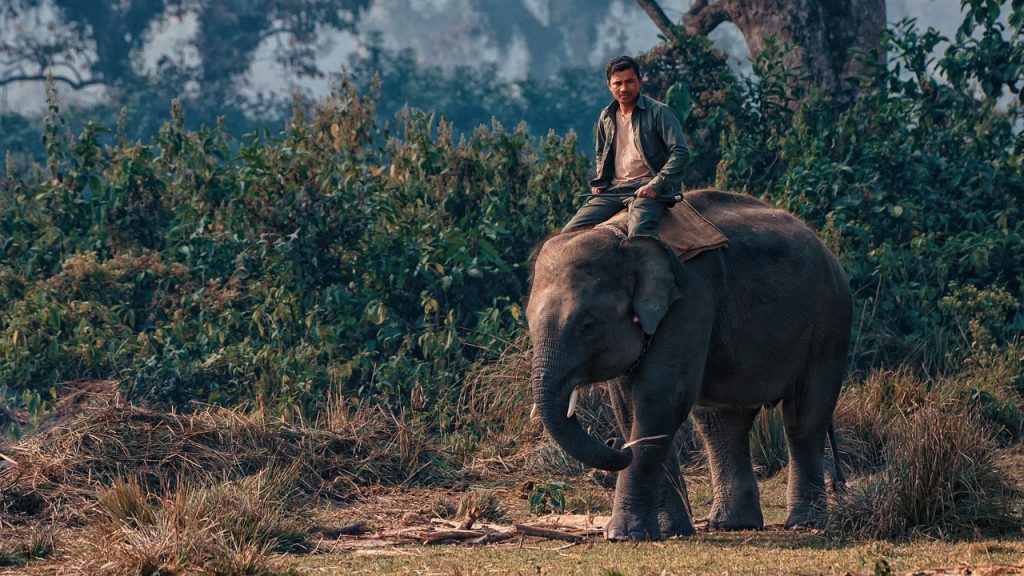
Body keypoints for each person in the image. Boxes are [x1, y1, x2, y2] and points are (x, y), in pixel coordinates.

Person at [562, 55, 689, 238]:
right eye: (617, 83)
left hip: (647, 186)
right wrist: (601, 178)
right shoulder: (606, 116)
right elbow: (600, 152)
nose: (623, 88)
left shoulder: (659, 112)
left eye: (630, 81)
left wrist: (656, 184)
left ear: (640, 81)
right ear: (609, 85)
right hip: (614, 189)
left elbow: (681, 152)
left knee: (640, 235)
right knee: (569, 234)